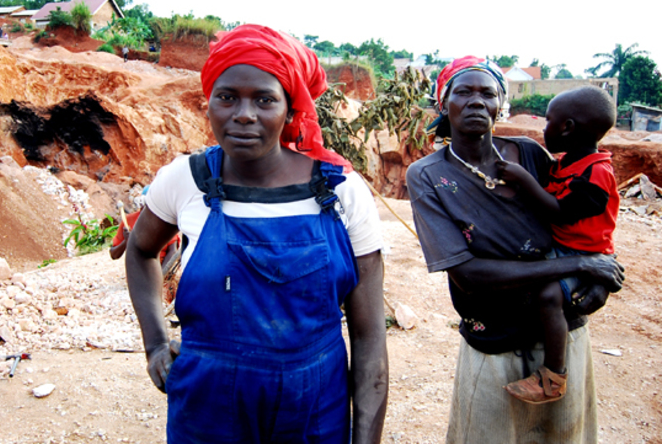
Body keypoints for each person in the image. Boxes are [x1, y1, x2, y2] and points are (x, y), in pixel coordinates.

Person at [124, 24, 388, 443]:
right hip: (207, 408)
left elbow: (370, 333)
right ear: (208, 102)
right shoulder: (184, 180)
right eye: (227, 96)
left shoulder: (340, 192)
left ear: (289, 107)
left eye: (265, 99)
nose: (244, 114)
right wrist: (155, 343)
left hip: (314, 410)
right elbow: (139, 251)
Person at [406, 57, 624, 443]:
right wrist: (583, 264)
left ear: (500, 105)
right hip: (494, 342)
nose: (476, 101)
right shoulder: (428, 175)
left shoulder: (530, 154)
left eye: (487, 92)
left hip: (563, 335)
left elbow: (583, 218)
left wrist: (603, 272)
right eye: (463, 92)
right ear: (444, 104)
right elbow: (469, 275)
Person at [495, 86, 619, 404]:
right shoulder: (567, 163)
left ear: (567, 127)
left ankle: (552, 378)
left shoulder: (597, 173)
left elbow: (562, 213)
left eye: (548, 120)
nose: (543, 127)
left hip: (583, 253)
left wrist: (524, 179)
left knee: (548, 294)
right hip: (565, 247)